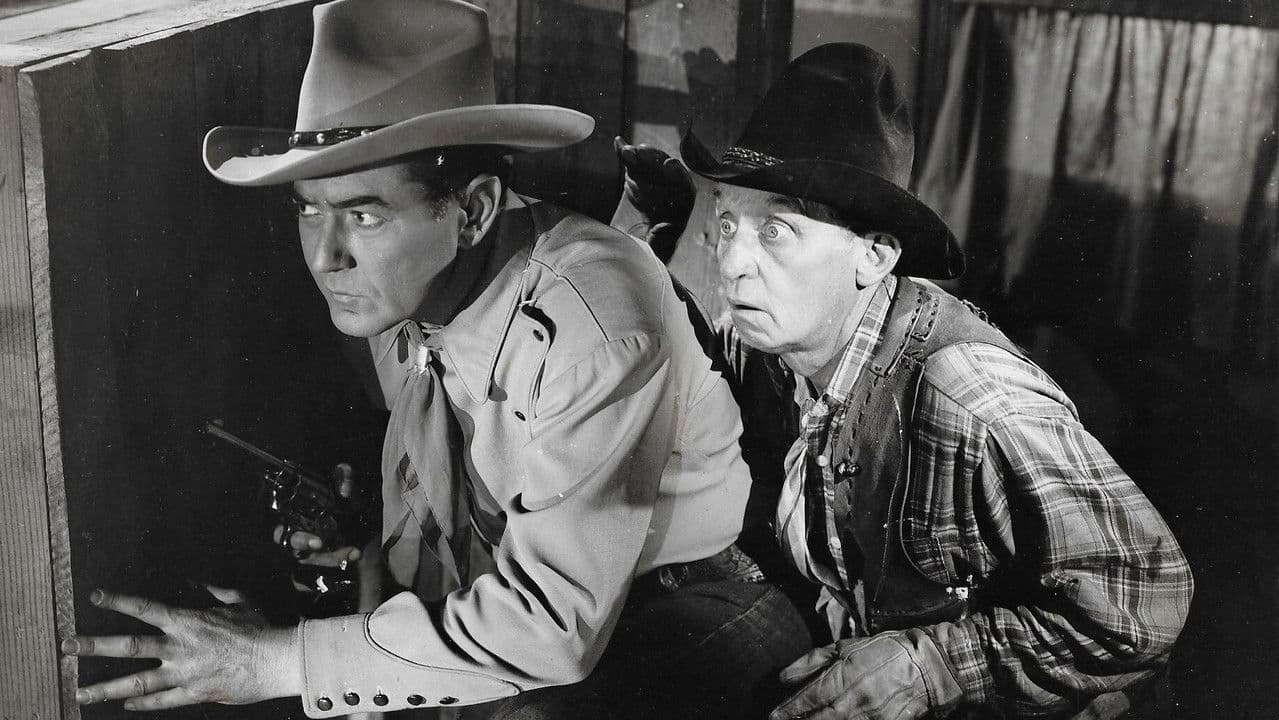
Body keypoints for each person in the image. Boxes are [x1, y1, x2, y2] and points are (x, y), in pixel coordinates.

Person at [59, 1, 814, 717]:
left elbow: (552, 627)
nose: (325, 256)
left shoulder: (593, 322)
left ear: (473, 210)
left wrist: (279, 661)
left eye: (363, 214)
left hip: (690, 612)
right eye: (308, 209)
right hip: (516, 616)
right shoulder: (400, 293)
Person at [616, 43, 1194, 719]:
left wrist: (933, 668)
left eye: (773, 230)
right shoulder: (767, 342)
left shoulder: (968, 396)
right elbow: (683, 339)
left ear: (874, 255)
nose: (732, 262)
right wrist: (646, 231)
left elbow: (1146, 602)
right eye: (726, 223)